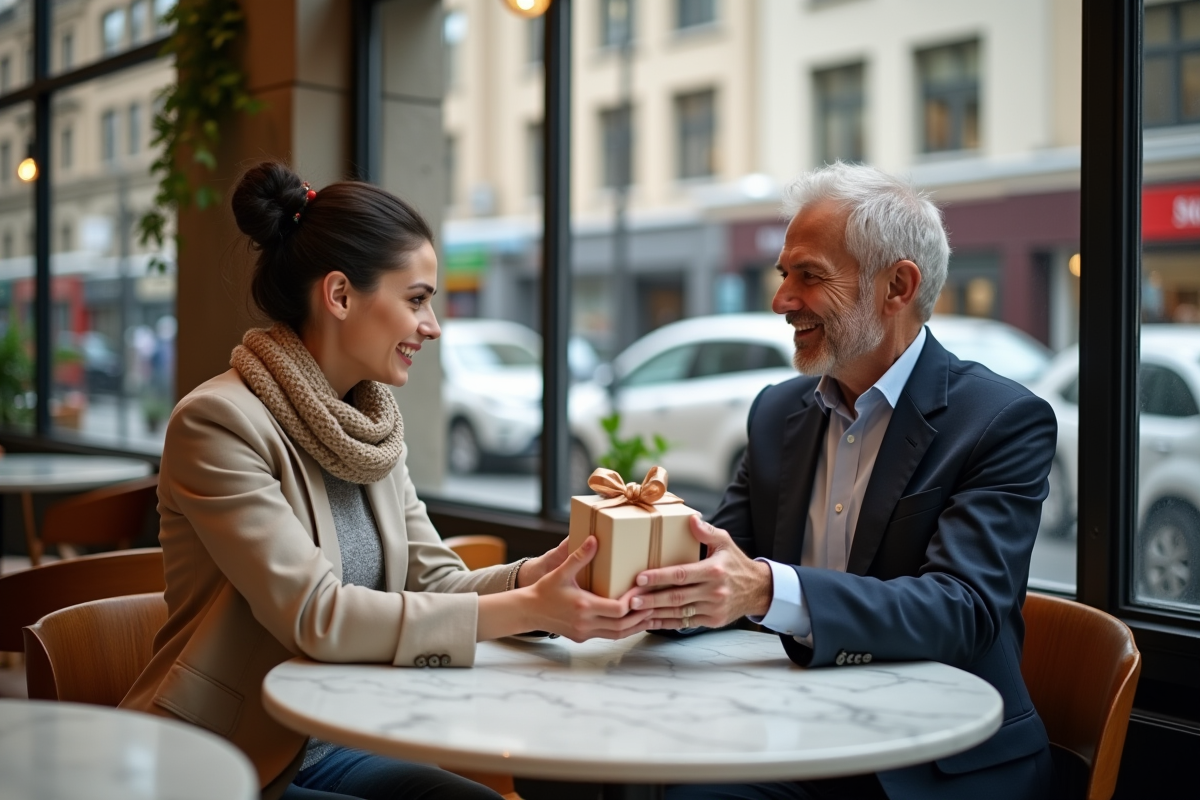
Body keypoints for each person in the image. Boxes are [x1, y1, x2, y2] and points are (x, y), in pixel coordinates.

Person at [119, 162, 652, 800]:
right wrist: (530, 610)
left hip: (344, 732)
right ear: (340, 295)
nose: (433, 326)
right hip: (231, 756)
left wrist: (535, 577)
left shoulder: (368, 426)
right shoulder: (219, 424)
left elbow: (441, 583)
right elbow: (318, 616)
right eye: (417, 299)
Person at [628, 162, 1057, 800]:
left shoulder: (1001, 421)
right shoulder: (777, 412)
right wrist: (626, 568)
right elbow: (727, 560)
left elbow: (962, 609)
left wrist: (767, 590)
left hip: (933, 759)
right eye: (783, 276)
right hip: (795, 729)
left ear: (898, 285)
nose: (781, 301)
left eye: (809, 276)